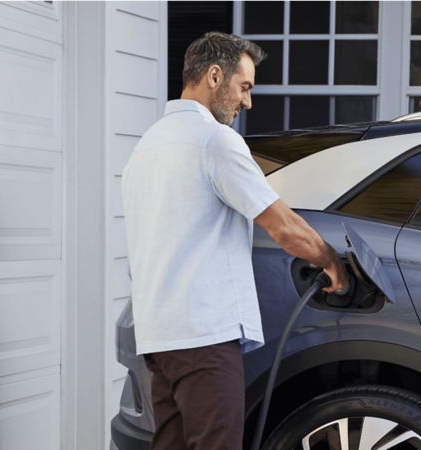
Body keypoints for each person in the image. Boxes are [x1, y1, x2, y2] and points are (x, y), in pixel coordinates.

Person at [121, 32, 349, 450]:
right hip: (203, 340)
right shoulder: (215, 141)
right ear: (213, 76)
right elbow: (281, 225)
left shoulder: (146, 147)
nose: (247, 102)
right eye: (244, 87)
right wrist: (332, 260)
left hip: (159, 340)